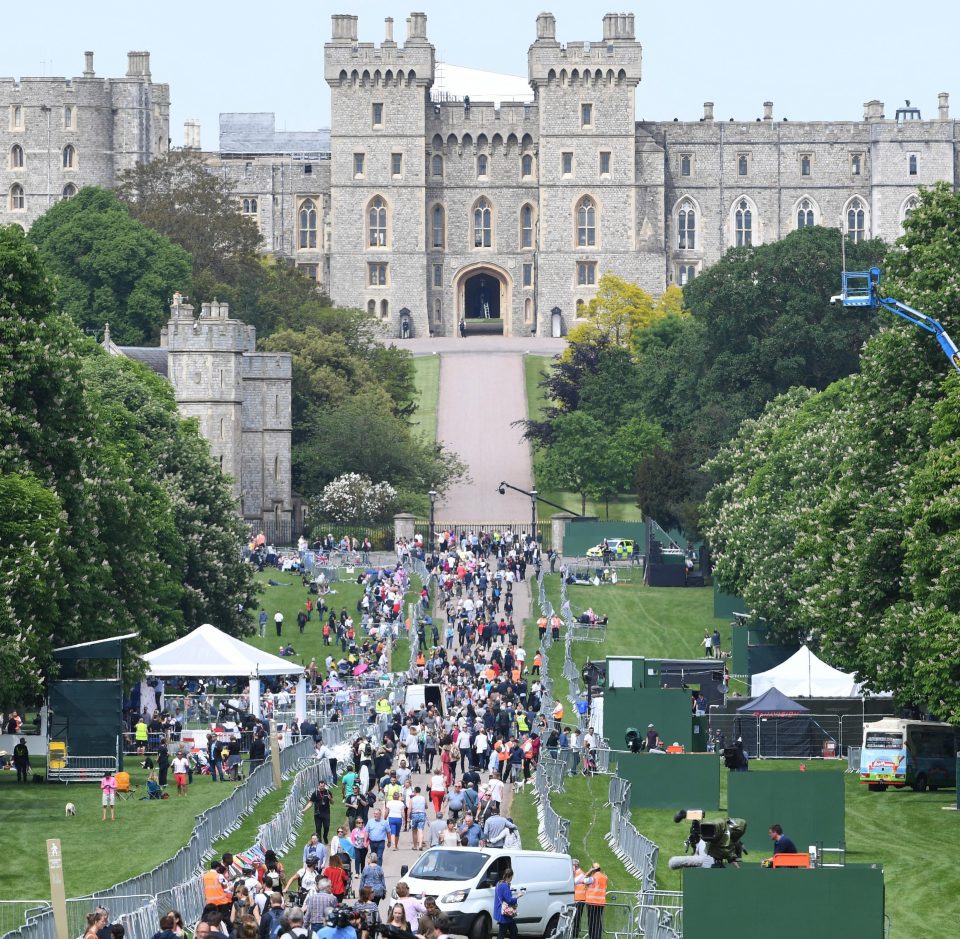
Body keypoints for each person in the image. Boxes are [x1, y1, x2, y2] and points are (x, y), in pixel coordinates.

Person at [493, 868, 523, 939]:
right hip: (505, 915)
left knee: (508, 932)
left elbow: (503, 896)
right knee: (512, 932)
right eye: (512, 877)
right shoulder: (505, 886)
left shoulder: (499, 883)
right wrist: (518, 896)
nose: (512, 878)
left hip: (501, 912)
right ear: (510, 876)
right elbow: (509, 900)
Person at [583, 863, 607, 939]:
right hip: (601, 903)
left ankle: (593, 937)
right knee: (598, 921)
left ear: (593, 869)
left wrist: (588, 873)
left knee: (592, 922)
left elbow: (584, 880)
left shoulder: (593, 877)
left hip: (592, 902)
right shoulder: (604, 877)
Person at [571, 860, 588, 937]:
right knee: (575, 917)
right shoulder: (577, 873)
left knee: (577, 917)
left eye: (572, 865)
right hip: (577, 898)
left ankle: (575, 934)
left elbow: (573, 882)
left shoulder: (580, 874)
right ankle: (574, 932)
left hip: (580, 899)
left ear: (575, 866)